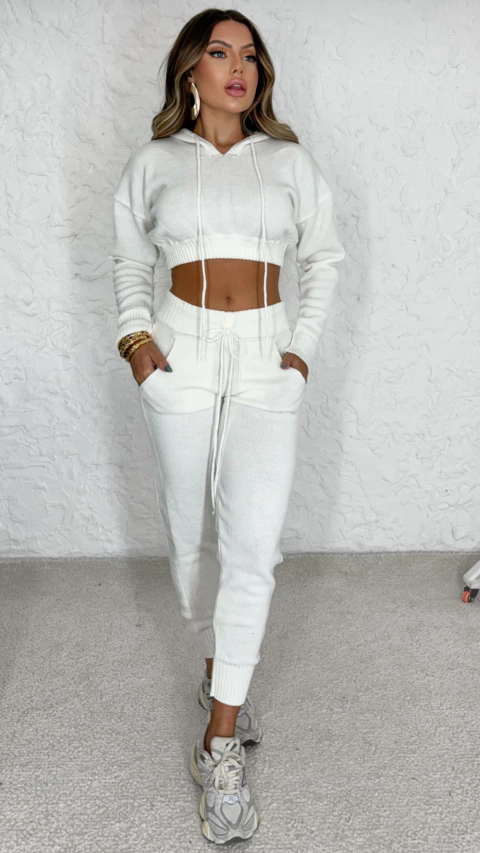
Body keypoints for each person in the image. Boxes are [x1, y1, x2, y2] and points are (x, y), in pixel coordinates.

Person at [110, 7, 345, 844]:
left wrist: (300, 351)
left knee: (253, 547)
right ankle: (219, 667)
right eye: (220, 52)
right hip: (180, 351)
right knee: (188, 541)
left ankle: (220, 740)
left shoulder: (287, 161)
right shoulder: (153, 162)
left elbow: (324, 258)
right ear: (191, 71)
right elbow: (128, 258)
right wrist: (138, 343)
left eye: (250, 55)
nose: (238, 67)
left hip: (264, 357)